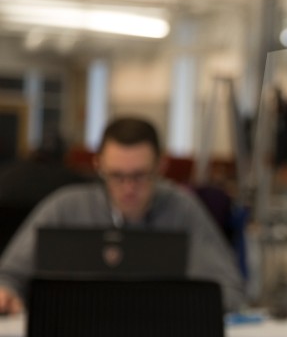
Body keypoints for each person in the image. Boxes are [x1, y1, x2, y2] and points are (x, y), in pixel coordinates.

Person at [0, 116, 247, 312]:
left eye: (140, 175)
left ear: (161, 167)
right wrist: (7, 292)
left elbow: (230, 291)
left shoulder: (182, 210)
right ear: (98, 166)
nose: (128, 188)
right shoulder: (65, 207)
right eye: (117, 175)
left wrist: (180, 307)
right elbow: (8, 274)